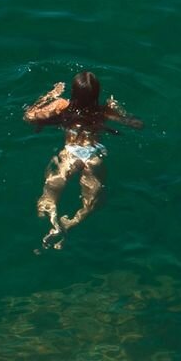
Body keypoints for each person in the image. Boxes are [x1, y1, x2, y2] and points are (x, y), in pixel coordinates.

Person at [23, 71, 144, 248]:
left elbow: (29, 116)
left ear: (73, 92)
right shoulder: (104, 110)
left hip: (71, 153)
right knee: (93, 202)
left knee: (50, 193)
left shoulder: (62, 104)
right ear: (97, 93)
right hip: (94, 155)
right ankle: (71, 224)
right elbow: (137, 124)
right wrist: (118, 108)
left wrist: (50, 95)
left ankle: (51, 219)